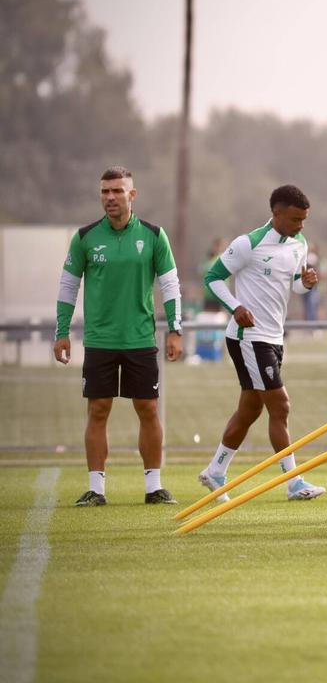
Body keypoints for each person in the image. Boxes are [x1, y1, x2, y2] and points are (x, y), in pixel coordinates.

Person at [54, 166, 183, 506]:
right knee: (98, 410)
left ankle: (154, 487)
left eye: (117, 191)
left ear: (132, 195)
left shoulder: (155, 236)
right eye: (105, 192)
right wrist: (61, 331)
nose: (110, 197)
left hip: (140, 339)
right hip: (99, 340)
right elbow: (68, 285)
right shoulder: (85, 238)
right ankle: (96, 490)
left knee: (148, 409)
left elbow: (170, 284)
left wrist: (175, 329)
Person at [199, 185, 324, 505]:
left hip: (273, 337)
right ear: (277, 213)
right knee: (280, 406)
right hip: (248, 339)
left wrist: (304, 284)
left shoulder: (299, 243)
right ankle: (293, 482)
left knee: (251, 408)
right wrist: (235, 308)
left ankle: (215, 472)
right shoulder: (248, 244)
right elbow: (212, 278)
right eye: (296, 219)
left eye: (304, 220)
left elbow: (293, 286)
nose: (301, 226)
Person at [302, 242, 327, 323]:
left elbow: (324, 276)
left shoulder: (322, 261)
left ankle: (319, 327)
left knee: (318, 307)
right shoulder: (307, 260)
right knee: (308, 307)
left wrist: (314, 273)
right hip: (308, 288)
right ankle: (309, 327)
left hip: (319, 288)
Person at [200, 238, 226, 312]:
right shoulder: (208, 258)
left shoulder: (222, 258)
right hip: (208, 294)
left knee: (217, 317)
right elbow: (202, 270)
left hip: (218, 294)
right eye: (215, 246)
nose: (216, 248)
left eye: (219, 246)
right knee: (207, 315)